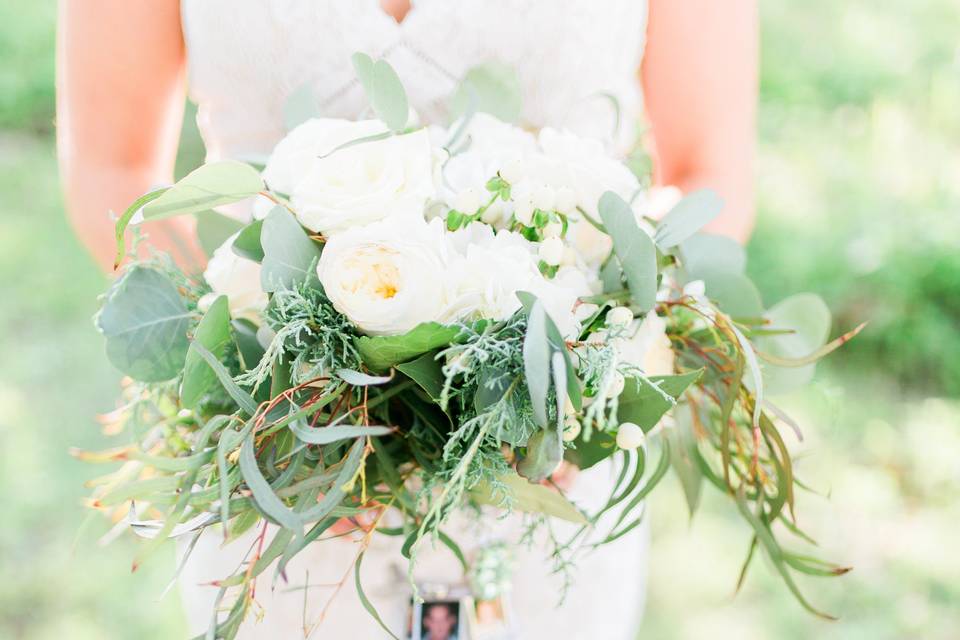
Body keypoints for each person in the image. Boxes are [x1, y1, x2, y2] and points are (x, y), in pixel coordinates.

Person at [57, 1, 757, 638]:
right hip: (281, 466)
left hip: (548, 464)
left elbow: (708, 170)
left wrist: (581, 367)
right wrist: (270, 379)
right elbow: (112, 167)